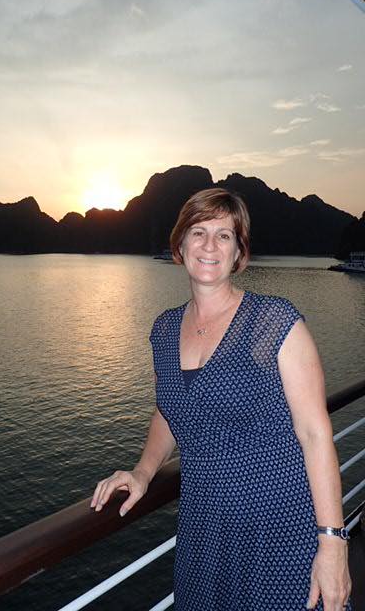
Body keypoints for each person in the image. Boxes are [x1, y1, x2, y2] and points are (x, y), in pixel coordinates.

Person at [90, 188, 352, 611]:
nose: (210, 245)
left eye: (224, 235)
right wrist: (142, 471)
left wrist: (333, 542)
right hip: (204, 528)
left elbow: (315, 434)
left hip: (278, 527)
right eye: (198, 232)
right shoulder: (164, 330)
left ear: (238, 253)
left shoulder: (273, 321)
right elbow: (169, 410)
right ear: (180, 245)